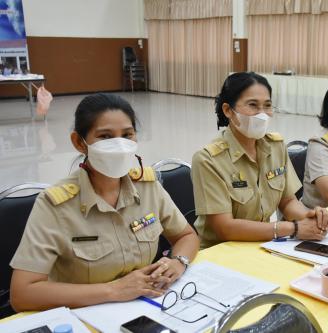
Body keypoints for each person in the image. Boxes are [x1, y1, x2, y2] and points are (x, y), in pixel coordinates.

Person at [10, 93, 199, 311]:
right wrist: (114, 290)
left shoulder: (147, 186)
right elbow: (23, 293)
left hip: (149, 304)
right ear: (79, 143)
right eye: (105, 137)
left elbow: (185, 235)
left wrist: (178, 262)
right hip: (85, 313)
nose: (119, 145)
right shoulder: (56, 205)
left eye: (127, 135)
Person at [191, 72, 328, 250]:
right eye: (253, 105)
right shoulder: (208, 159)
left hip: (262, 243)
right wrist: (293, 228)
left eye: (267, 106)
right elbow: (225, 228)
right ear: (228, 110)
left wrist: (309, 217)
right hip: (220, 252)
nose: (262, 114)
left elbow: (287, 201)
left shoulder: (275, 146)